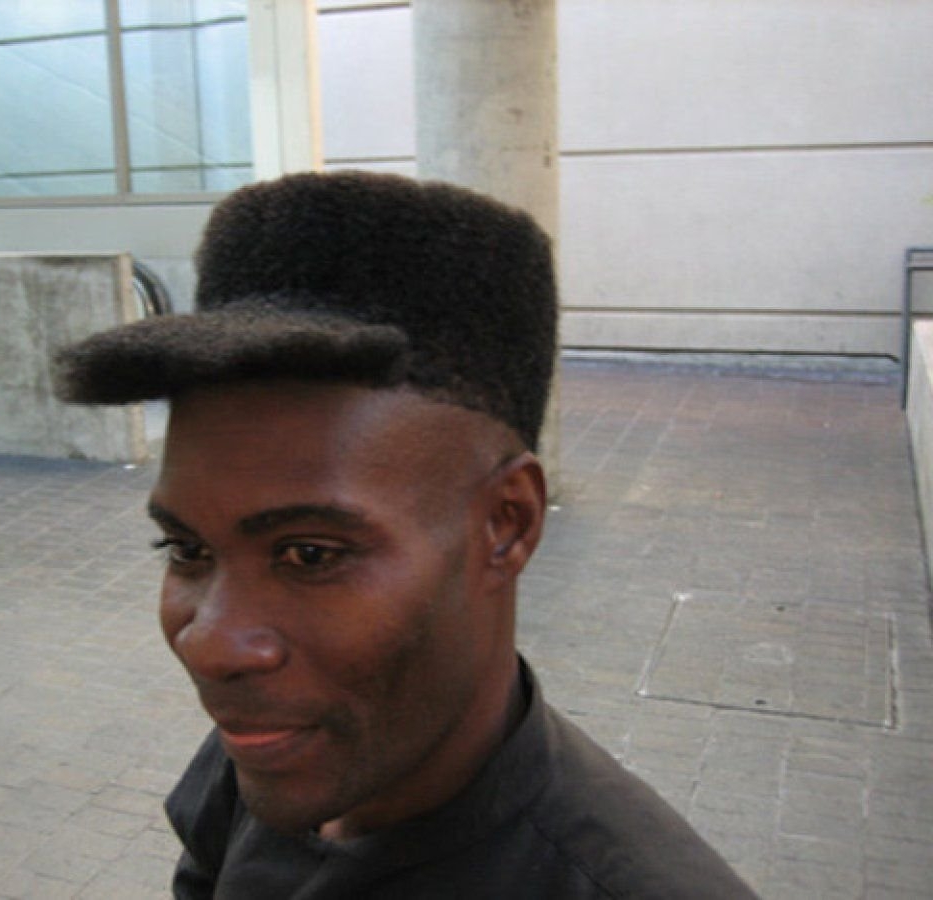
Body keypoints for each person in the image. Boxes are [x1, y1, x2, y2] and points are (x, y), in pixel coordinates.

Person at [54, 171, 757, 898]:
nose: (210, 645)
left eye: (309, 555)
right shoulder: (278, 745)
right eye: (188, 550)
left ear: (507, 524)